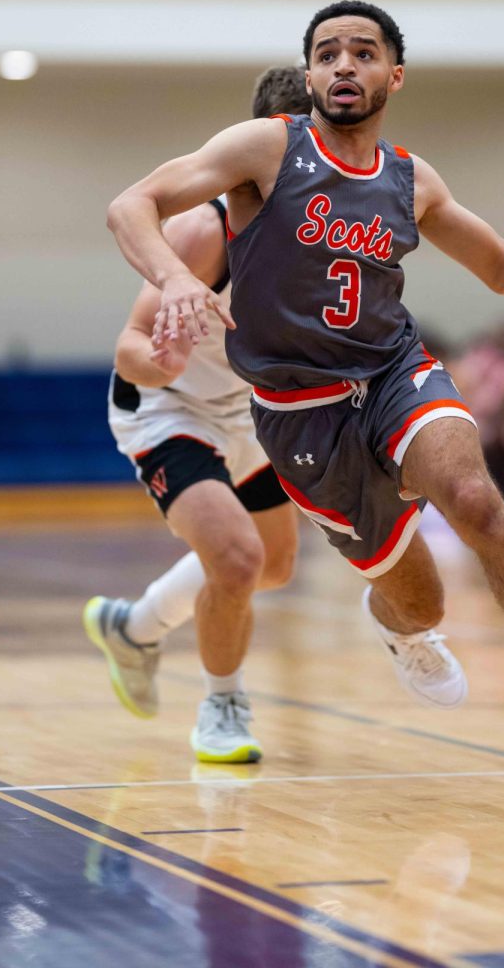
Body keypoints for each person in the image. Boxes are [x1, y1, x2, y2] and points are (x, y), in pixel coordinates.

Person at [107, 0, 504, 785]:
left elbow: (502, 266)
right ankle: (401, 628)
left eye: (362, 53)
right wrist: (177, 280)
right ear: (309, 75)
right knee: (419, 604)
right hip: (301, 416)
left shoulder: (409, 177)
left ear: (393, 74)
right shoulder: (268, 148)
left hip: (394, 371)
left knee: (475, 498)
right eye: (327, 55)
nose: (343, 66)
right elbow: (132, 205)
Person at [84, 67, 309, 764]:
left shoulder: (325, 231)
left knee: (273, 564)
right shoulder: (203, 233)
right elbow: (128, 347)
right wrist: (164, 361)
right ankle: (222, 708)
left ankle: (136, 626)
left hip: (248, 413)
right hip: (168, 407)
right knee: (237, 558)